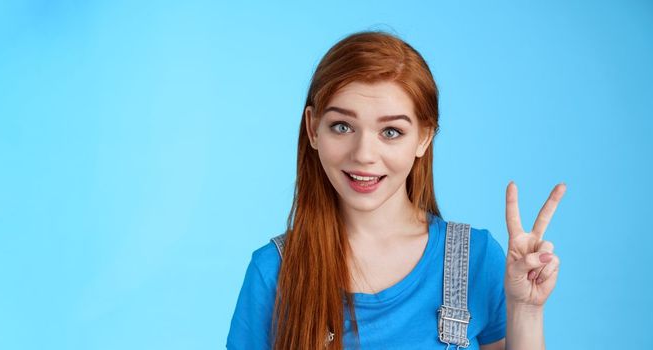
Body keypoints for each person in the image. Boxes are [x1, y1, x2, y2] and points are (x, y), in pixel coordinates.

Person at [226, 31, 566, 350]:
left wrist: (526, 309)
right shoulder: (273, 271)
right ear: (314, 129)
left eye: (390, 132)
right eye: (342, 126)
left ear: (424, 137)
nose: (363, 154)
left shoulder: (476, 259)